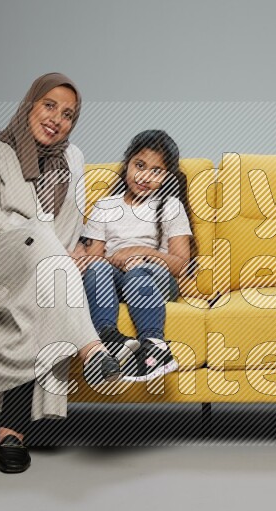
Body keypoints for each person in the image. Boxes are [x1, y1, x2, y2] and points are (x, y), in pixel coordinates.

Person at [0, 73, 122, 474]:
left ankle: (12, 433)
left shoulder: (72, 160)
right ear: (30, 105)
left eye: (68, 115)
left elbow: (69, 227)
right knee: (43, 248)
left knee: (44, 294)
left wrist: (62, 254)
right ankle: (92, 349)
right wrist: (41, 242)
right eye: (49, 106)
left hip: (41, 270)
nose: (57, 119)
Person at [81, 130, 197, 382]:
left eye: (156, 171)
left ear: (167, 177)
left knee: (137, 272)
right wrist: (118, 259)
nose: (144, 176)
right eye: (140, 165)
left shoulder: (170, 207)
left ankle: (155, 346)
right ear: (127, 164)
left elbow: (180, 265)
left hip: (154, 281)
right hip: (113, 282)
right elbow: (93, 261)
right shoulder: (105, 207)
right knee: (98, 270)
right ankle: (109, 338)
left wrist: (142, 253)